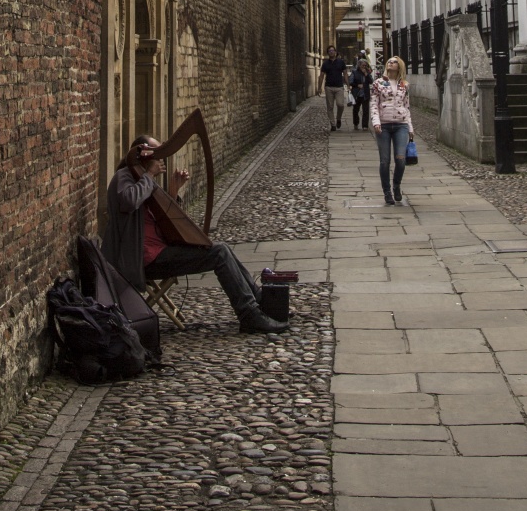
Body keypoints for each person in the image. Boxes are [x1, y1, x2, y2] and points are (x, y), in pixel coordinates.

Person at [103, 136, 285, 335]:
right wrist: (148, 176)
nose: (161, 159)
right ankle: (249, 315)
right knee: (219, 254)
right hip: (143, 261)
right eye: (157, 154)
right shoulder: (124, 177)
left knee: (221, 249)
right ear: (143, 154)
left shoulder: (144, 181)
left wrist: (172, 191)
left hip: (159, 253)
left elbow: (161, 222)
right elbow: (128, 201)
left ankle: (260, 302)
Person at [370, 56, 413, 205]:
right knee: (385, 161)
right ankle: (387, 191)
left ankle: (396, 185)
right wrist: (376, 122)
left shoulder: (404, 85)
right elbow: (374, 104)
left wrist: (410, 127)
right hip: (384, 125)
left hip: (401, 125)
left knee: (400, 160)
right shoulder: (378, 83)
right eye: (389, 61)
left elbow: (406, 107)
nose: (391, 63)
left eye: (394, 62)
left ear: (399, 66)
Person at [319, 45, 349, 130]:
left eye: (333, 50)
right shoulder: (325, 64)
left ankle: (338, 118)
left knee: (340, 105)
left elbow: (345, 74)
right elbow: (321, 76)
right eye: (329, 51)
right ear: (328, 53)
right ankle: (333, 124)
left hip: (339, 87)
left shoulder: (341, 62)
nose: (331, 52)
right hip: (329, 87)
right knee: (330, 107)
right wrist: (319, 87)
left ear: (335, 52)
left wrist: (348, 84)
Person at [349, 52, 374, 130]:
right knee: (356, 110)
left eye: (365, 65)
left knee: (366, 110)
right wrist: (357, 85)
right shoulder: (354, 72)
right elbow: (351, 81)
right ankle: (356, 123)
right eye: (363, 65)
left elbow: (371, 81)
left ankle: (365, 126)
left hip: (365, 93)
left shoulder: (367, 73)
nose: (364, 67)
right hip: (357, 93)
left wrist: (366, 74)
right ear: (359, 65)